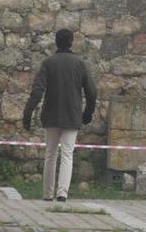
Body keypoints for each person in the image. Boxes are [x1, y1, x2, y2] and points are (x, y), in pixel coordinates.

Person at [23, 28, 97, 202]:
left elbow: (37, 91)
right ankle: (62, 193)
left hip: (51, 115)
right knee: (67, 154)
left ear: (56, 42)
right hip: (72, 115)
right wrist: (88, 112)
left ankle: (47, 194)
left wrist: (27, 113)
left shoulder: (48, 63)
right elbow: (92, 92)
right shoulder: (80, 64)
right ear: (71, 42)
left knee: (50, 154)